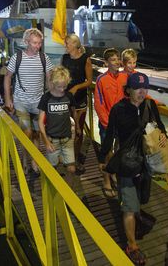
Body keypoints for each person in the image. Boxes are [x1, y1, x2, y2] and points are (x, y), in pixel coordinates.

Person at [98, 72, 167, 265]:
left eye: (145, 88)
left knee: (141, 199)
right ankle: (132, 246)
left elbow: (160, 127)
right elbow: (110, 134)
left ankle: (136, 216)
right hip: (127, 163)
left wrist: (164, 141)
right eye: (137, 88)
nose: (142, 92)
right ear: (128, 89)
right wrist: (103, 158)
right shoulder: (119, 109)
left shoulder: (150, 105)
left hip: (147, 163)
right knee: (129, 206)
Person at [4, 28, 53, 176]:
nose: (37, 46)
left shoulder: (44, 58)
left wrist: (52, 100)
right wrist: (8, 99)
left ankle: (35, 162)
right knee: (27, 133)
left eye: (39, 43)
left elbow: (50, 80)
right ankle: (26, 161)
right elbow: (7, 78)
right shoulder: (16, 57)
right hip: (21, 102)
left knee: (37, 134)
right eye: (34, 43)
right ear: (26, 42)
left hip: (39, 103)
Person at [94, 48, 128, 198]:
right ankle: (106, 180)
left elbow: (134, 95)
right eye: (113, 60)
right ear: (107, 62)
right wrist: (107, 123)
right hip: (107, 124)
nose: (117, 62)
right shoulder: (101, 80)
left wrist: (155, 102)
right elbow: (99, 104)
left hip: (122, 123)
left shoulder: (124, 77)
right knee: (107, 152)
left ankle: (114, 173)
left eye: (118, 59)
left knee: (119, 150)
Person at [38, 66, 79, 188]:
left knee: (71, 168)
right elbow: (40, 122)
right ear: (53, 84)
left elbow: (74, 111)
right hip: (52, 139)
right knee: (53, 168)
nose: (62, 90)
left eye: (64, 86)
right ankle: (54, 190)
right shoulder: (46, 98)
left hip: (67, 138)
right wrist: (45, 141)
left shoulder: (69, 96)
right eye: (59, 87)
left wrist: (77, 127)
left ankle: (69, 192)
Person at [61, 34, 93, 174]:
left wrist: (77, 87)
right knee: (65, 129)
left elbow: (89, 81)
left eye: (67, 43)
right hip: (65, 98)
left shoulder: (86, 59)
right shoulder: (65, 58)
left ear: (74, 44)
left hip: (79, 100)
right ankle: (66, 155)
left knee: (79, 132)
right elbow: (62, 76)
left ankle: (75, 157)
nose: (65, 46)